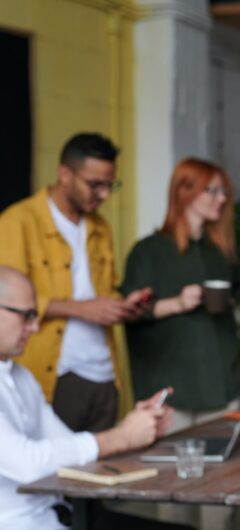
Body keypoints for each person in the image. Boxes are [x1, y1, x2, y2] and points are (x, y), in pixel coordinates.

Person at [0, 266, 189, 530]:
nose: (35, 326)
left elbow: (69, 446)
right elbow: (27, 464)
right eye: (27, 315)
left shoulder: (21, 377)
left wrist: (134, 428)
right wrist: (121, 437)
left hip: (62, 515)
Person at [0, 132, 151, 432]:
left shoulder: (100, 227)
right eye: (96, 184)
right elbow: (8, 302)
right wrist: (82, 309)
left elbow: (102, 291)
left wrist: (122, 307)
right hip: (55, 375)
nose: (105, 195)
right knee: (57, 472)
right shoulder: (18, 222)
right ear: (64, 174)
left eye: (110, 185)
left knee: (105, 469)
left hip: (105, 374)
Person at [120, 158, 240, 433]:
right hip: (173, 394)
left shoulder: (221, 251)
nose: (221, 198)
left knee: (230, 471)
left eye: (224, 191)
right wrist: (178, 303)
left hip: (223, 386)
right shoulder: (148, 251)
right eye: (212, 190)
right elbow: (130, 311)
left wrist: (226, 301)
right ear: (184, 191)